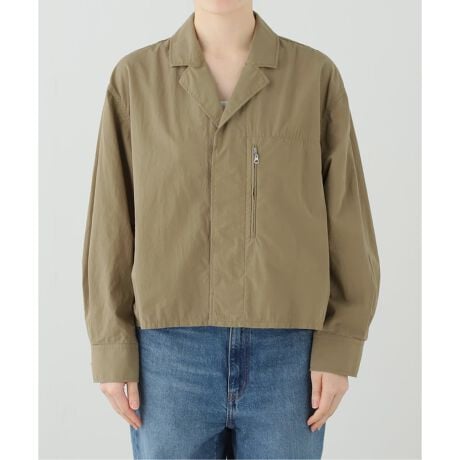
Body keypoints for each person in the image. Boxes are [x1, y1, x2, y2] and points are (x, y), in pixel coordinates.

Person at [81, 1, 381, 458]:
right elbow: (111, 221)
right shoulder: (136, 79)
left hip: (289, 358)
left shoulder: (313, 77)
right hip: (168, 357)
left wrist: (340, 343)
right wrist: (111, 345)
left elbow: (347, 219)